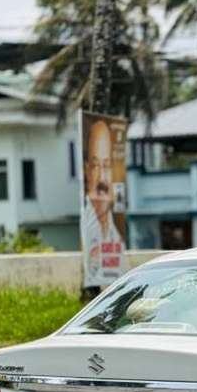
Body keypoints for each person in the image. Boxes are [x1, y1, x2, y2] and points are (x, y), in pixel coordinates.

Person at [81, 118, 124, 288]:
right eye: (95, 166)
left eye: (106, 166)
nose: (102, 178)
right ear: (86, 169)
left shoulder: (116, 232)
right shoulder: (86, 224)